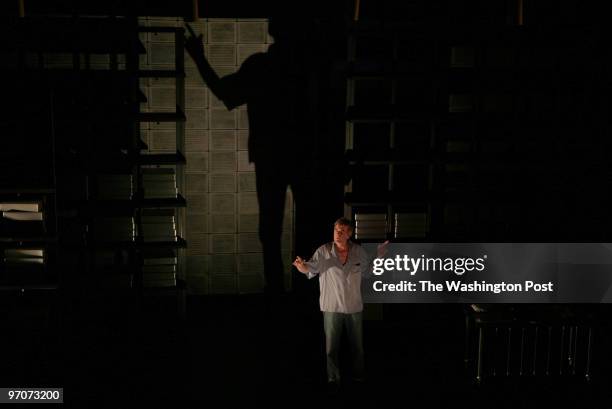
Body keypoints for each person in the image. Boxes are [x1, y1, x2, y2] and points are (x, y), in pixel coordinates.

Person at [184, 19, 318, 296]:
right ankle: (309, 290)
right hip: (304, 155)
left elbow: (224, 92)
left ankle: (276, 289)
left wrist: (198, 56)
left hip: (270, 156)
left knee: (270, 228)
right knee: (308, 223)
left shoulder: (261, 67)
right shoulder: (307, 68)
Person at [293, 217, 388, 392]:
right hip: (331, 307)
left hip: (353, 307)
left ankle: (359, 377)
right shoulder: (323, 251)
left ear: (349, 234)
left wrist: (380, 256)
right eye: (336, 230)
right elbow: (311, 268)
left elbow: (369, 273)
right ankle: (333, 379)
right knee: (331, 348)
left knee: (357, 346)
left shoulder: (359, 252)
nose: (338, 233)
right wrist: (302, 267)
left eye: (342, 231)